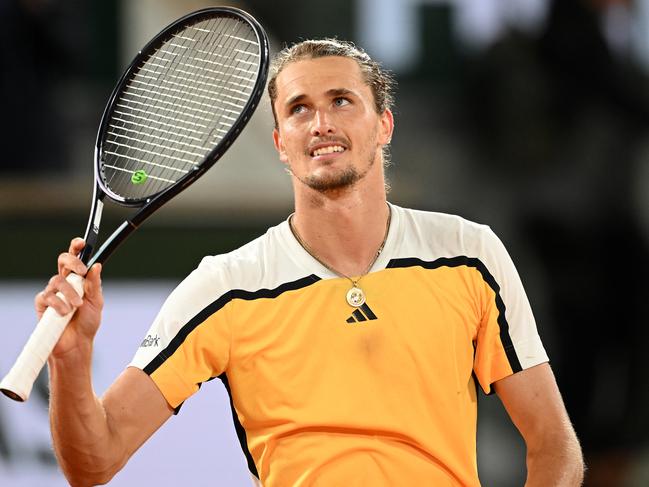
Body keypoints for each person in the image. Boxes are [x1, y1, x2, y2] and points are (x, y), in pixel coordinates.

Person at [39, 39, 584, 486]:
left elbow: (554, 444)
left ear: (384, 125)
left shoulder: (470, 254)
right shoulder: (224, 285)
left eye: (342, 100)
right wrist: (70, 360)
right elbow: (95, 461)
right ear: (280, 142)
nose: (320, 122)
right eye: (299, 109)